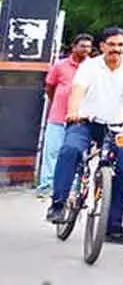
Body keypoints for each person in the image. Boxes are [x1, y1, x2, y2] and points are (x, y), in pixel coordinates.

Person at [46, 27, 123, 245]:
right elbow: (77, 92)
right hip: (85, 122)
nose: (116, 49)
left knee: (122, 172)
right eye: (111, 45)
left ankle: (113, 228)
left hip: (116, 127)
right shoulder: (89, 66)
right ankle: (58, 203)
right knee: (70, 150)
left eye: (120, 45)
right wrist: (73, 112)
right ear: (102, 46)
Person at [38, 33, 92, 196]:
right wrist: (57, 102)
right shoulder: (60, 66)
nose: (86, 50)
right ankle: (47, 185)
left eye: (89, 47)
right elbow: (49, 87)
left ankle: (72, 187)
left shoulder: (93, 68)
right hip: (58, 116)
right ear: (73, 47)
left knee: (74, 153)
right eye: (82, 46)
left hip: (80, 120)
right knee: (52, 152)